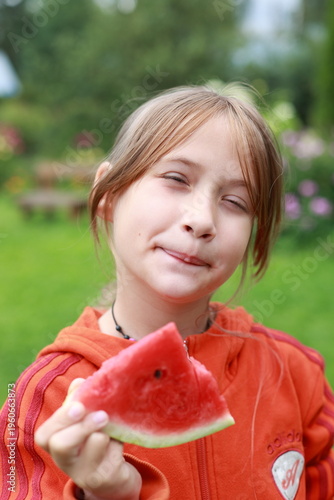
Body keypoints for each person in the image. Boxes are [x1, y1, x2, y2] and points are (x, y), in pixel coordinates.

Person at [1, 85, 333, 500]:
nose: (202, 219)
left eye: (235, 201)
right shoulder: (46, 398)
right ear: (109, 194)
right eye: (176, 179)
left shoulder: (296, 374)